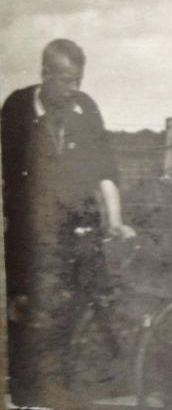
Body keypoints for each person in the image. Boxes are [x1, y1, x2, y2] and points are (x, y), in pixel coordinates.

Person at [1, 39, 135, 405]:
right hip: (32, 237)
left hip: (80, 232)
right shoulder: (16, 109)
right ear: (45, 75)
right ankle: (26, 397)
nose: (74, 88)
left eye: (78, 79)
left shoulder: (85, 108)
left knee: (82, 312)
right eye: (66, 80)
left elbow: (104, 168)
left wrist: (116, 221)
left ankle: (75, 390)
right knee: (29, 315)